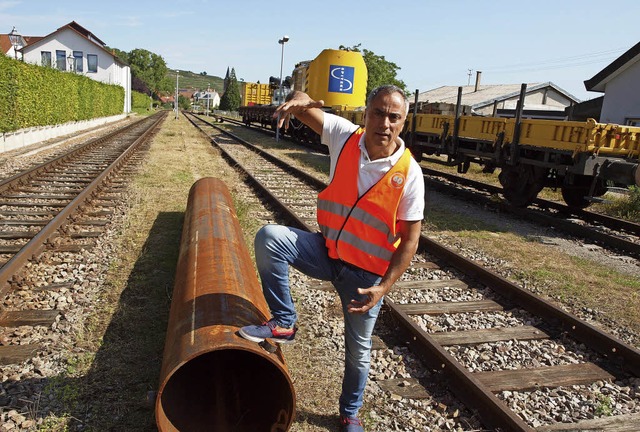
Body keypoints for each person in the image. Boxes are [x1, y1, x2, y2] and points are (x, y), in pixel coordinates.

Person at [239, 85, 425, 432]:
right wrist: (299, 98)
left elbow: (410, 241)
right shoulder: (345, 137)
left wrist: (383, 287)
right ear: (366, 113)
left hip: (365, 280)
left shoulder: (410, 174)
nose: (384, 123)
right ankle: (284, 321)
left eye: (393, 117)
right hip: (328, 253)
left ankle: (349, 414)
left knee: (358, 351)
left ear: (403, 123)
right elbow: (307, 111)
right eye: (378, 113)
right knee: (270, 237)